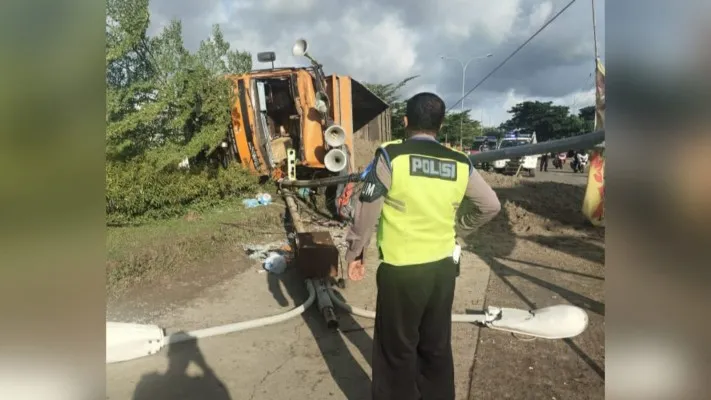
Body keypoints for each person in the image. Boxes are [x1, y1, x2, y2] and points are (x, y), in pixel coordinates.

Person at [344, 92, 502, 400]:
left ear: (405, 122)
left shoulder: (392, 156)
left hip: (402, 270)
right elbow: (490, 205)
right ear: (441, 125)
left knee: (396, 351)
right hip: (442, 269)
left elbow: (368, 206)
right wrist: (458, 230)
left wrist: (355, 251)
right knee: (435, 346)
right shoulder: (459, 161)